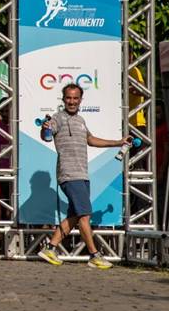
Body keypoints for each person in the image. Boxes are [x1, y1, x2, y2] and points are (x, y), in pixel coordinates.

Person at [37, 83, 132, 269]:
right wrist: (45, 128)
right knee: (84, 216)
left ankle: (50, 248)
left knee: (74, 216)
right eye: (68, 98)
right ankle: (94, 255)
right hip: (69, 175)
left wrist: (118, 142)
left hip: (82, 174)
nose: (72, 101)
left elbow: (91, 140)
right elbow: (46, 134)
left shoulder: (80, 120)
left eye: (75, 98)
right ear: (63, 99)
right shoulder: (58, 118)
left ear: (81, 100)